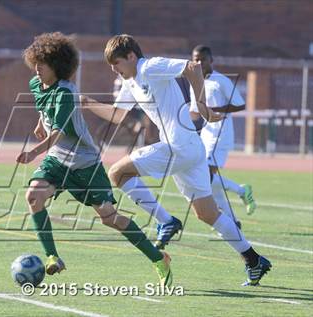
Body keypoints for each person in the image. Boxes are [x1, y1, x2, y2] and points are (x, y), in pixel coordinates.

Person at [81, 34, 271, 286]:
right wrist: (86, 102)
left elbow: (191, 68)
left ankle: (166, 221)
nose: (113, 69)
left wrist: (201, 104)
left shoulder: (148, 66)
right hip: (190, 148)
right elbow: (117, 116)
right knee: (207, 213)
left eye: (116, 63)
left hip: (179, 146)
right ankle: (253, 259)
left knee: (117, 173)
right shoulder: (130, 81)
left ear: (131, 56)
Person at [17, 32, 173, 287]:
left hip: (85, 163)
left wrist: (33, 152)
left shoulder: (66, 93)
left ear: (57, 66)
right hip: (58, 160)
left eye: (42, 64)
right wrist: (39, 123)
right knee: (34, 196)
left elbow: (57, 133)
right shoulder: (37, 84)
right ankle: (52, 257)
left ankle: (158, 258)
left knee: (110, 218)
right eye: (35, 63)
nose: (36, 69)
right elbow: (45, 109)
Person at [189, 45, 257, 228]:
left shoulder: (221, 81)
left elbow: (240, 105)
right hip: (205, 135)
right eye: (195, 59)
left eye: (202, 59)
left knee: (206, 176)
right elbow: (195, 112)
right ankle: (233, 221)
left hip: (220, 135)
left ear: (211, 60)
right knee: (208, 181)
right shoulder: (194, 82)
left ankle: (241, 191)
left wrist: (214, 110)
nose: (199, 63)